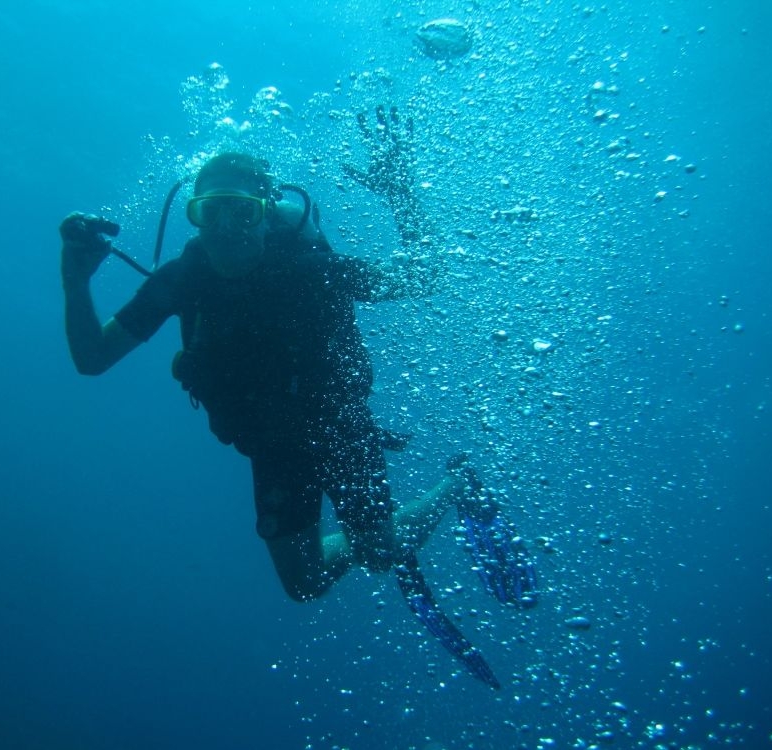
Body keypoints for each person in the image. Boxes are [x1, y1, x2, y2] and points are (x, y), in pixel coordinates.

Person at [60, 107, 535, 688]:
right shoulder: (181, 281)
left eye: (244, 211)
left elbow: (425, 275)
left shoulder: (314, 272)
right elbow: (92, 358)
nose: (229, 228)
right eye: (212, 211)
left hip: (339, 424)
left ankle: (455, 485)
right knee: (303, 585)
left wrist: (403, 191)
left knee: (382, 554)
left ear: (267, 217)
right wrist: (75, 282)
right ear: (195, 218)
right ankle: (380, 531)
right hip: (270, 443)